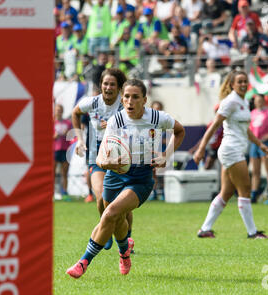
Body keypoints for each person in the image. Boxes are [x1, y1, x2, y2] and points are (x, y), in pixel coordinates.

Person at [66, 79, 185, 278]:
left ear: (144, 100)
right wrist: (108, 164)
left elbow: (179, 131)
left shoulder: (157, 117)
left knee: (111, 213)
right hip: (115, 175)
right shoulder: (116, 120)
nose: (130, 101)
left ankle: (83, 262)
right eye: (127, 97)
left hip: (141, 178)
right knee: (116, 218)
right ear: (122, 99)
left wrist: (166, 155)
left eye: (135, 97)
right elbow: (101, 157)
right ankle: (124, 253)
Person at [193, 70, 268, 239]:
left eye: (245, 81)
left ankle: (204, 229)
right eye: (240, 82)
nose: (243, 84)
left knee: (226, 193)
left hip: (233, 150)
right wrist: (201, 149)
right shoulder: (230, 102)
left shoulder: (243, 101)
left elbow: (245, 129)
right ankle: (252, 233)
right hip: (232, 150)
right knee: (245, 191)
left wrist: (260, 145)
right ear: (232, 85)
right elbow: (214, 126)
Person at [72, 68, 130, 251]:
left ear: (119, 88)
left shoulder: (125, 105)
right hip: (97, 156)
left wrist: (117, 126)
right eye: (105, 83)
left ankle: (127, 238)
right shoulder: (92, 102)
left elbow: (136, 126)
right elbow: (75, 113)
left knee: (123, 204)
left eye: (113, 84)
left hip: (121, 155)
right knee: (101, 198)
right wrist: (80, 139)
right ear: (100, 86)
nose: (108, 87)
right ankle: (106, 229)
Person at [189, 103, 223, 170]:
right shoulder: (211, 124)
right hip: (214, 147)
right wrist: (195, 148)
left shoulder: (226, 124)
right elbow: (205, 137)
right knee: (207, 165)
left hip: (223, 147)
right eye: (217, 111)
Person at [54, 104, 73, 201]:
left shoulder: (68, 123)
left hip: (65, 150)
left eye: (60, 110)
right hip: (54, 150)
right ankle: (52, 193)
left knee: (64, 173)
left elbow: (72, 136)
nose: (58, 111)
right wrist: (54, 136)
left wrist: (67, 134)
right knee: (52, 173)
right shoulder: (52, 122)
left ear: (62, 111)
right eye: (57, 110)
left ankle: (64, 193)